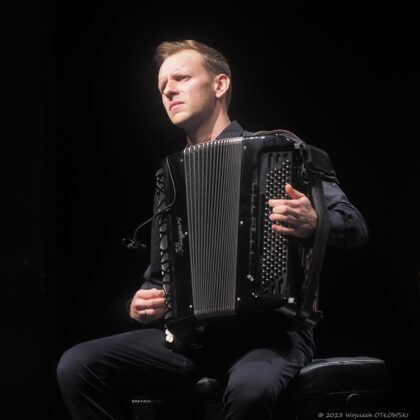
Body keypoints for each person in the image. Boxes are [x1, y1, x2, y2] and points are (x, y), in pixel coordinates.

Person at [57, 39, 369, 420]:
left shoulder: (280, 149)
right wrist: (142, 303)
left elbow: (355, 224)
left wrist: (315, 222)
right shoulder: (172, 177)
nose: (168, 90)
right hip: (192, 340)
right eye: (162, 86)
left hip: (270, 335)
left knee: (249, 394)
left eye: (181, 78)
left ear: (220, 85)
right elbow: (157, 279)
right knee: (77, 365)